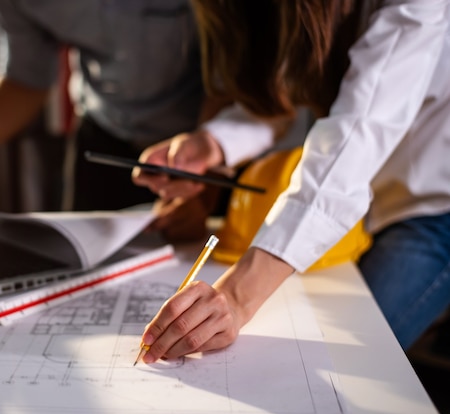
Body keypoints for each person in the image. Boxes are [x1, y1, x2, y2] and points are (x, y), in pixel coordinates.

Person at [132, 0, 450, 363]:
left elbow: (356, 134)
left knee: (346, 364)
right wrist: (210, 145)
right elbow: (282, 88)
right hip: (369, 198)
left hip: (435, 203)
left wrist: (237, 295)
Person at [0, 0, 226, 214]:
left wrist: (206, 171)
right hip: (104, 144)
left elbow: (236, 64)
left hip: (214, 144)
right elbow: (26, 75)